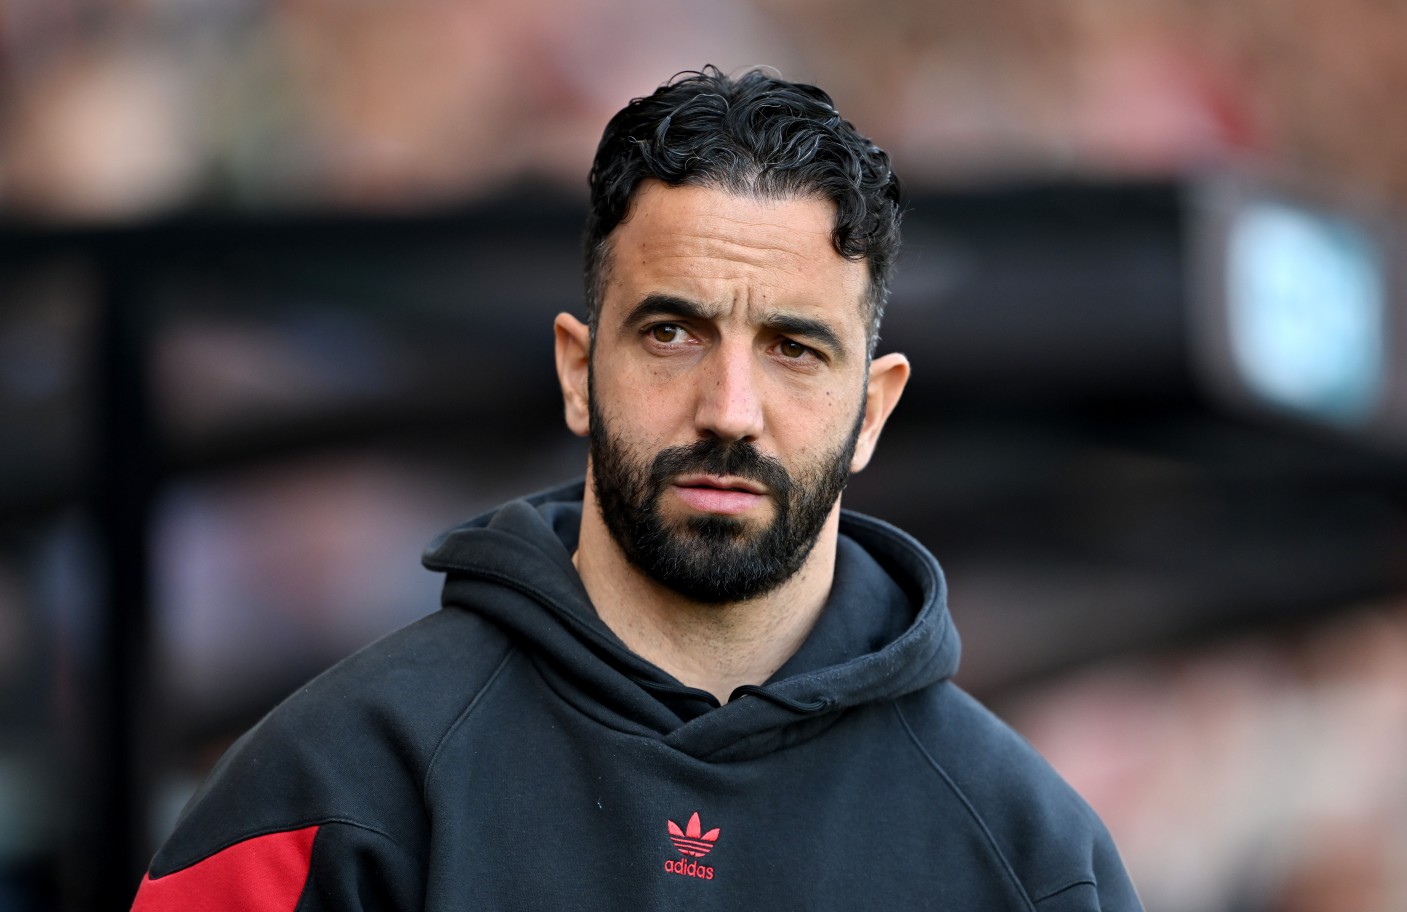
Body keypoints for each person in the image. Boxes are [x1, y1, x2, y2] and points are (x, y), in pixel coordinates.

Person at [131, 66, 1142, 910]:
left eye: (793, 349)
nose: (729, 410)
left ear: (872, 410)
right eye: (672, 333)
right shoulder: (332, 785)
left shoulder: (1034, 858)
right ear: (578, 372)